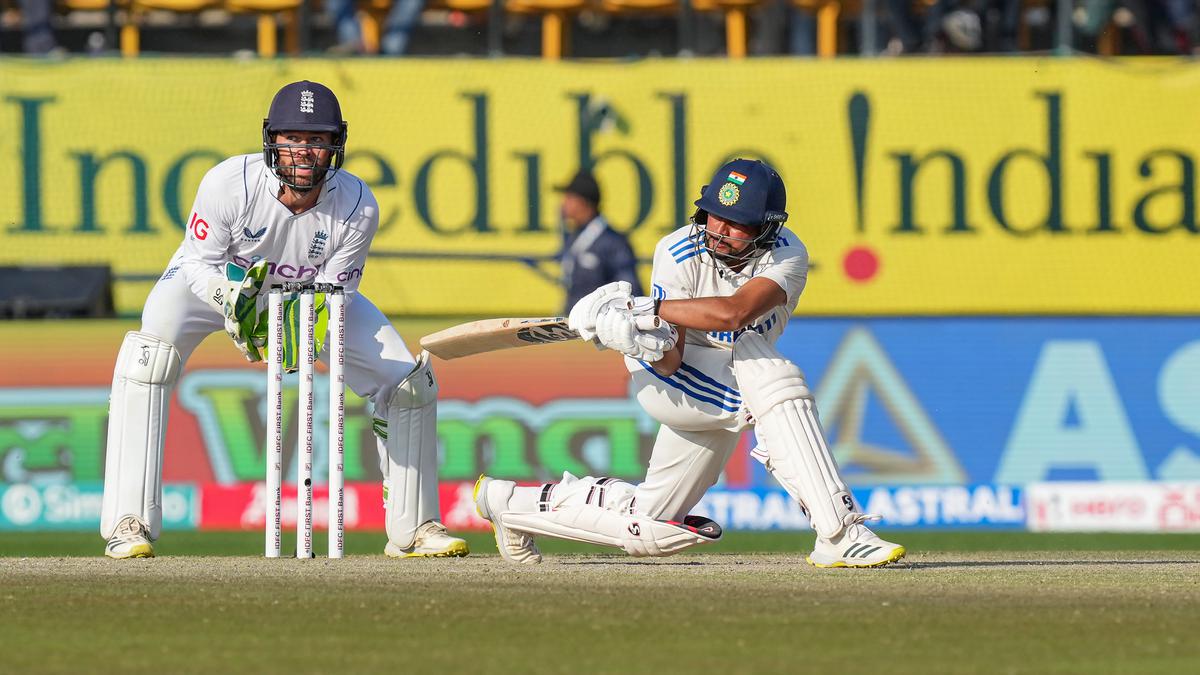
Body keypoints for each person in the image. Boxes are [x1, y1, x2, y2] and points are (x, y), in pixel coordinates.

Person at [475, 158, 905, 568]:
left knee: (651, 523)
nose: (720, 230)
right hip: (671, 380)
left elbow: (735, 313)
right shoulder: (677, 251)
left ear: (768, 227)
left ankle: (510, 504)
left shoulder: (786, 256)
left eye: (738, 222)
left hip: (727, 370)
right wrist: (632, 337)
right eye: (714, 215)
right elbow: (670, 360)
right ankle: (840, 534)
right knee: (772, 376)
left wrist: (645, 308)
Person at [100, 80, 467, 560]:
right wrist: (233, 303)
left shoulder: (357, 204)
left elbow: (336, 296)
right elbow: (195, 263)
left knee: (407, 383)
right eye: (292, 139)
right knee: (148, 359)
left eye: (316, 140)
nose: (303, 151)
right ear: (271, 140)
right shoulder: (229, 183)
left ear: (336, 146)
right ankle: (129, 524)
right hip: (216, 283)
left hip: (312, 293)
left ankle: (414, 526)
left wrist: (295, 338)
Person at [556, 169, 643, 315]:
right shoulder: (575, 236)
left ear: (584, 202)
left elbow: (631, 292)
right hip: (576, 326)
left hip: (601, 328)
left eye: (569, 198)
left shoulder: (613, 242)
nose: (564, 203)